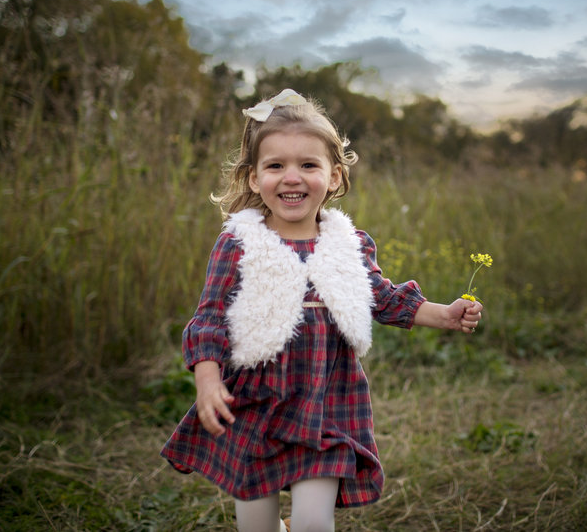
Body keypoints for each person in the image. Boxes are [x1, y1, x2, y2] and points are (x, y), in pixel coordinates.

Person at [161, 89, 484, 532]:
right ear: (254, 178)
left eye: (308, 165)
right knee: (255, 526)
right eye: (275, 165)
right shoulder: (239, 244)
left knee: (315, 523)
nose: (291, 177)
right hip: (256, 401)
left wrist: (443, 314)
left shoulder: (347, 245)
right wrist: (207, 379)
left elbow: (382, 297)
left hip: (325, 400)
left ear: (334, 177)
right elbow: (210, 318)